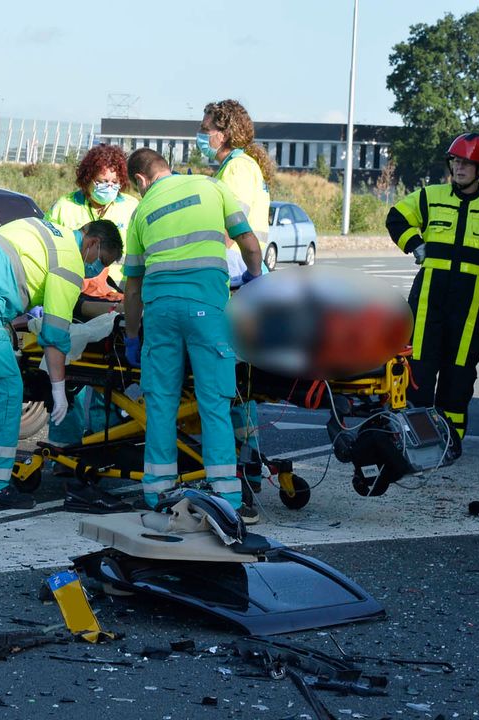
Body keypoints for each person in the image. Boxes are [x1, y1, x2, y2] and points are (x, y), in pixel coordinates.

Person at [0, 217, 123, 509]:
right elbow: (55, 335)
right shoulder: (69, 261)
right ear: (92, 242)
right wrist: (58, 390)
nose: (96, 270)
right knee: (6, 390)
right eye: (100, 261)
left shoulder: (47, 229)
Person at [121, 148, 262, 517]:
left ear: (141, 180)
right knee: (214, 403)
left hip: (160, 312)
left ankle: (157, 493)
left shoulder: (141, 212)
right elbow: (249, 244)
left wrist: (132, 336)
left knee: (160, 403)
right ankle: (226, 498)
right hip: (207, 310)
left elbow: (132, 289)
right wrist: (254, 279)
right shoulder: (211, 186)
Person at [386, 133, 479, 453]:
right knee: (419, 371)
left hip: (470, 304)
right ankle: (415, 441)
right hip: (428, 299)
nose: (459, 168)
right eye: (455, 161)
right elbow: (396, 218)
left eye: (467, 163)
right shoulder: (430, 196)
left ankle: (450, 442)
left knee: (459, 375)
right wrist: (414, 244)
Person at [44, 145, 137, 477]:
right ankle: (64, 451)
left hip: (113, 300)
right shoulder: (65, 207)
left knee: (109, 379)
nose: (108, 187)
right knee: (70, 375)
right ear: (87, 178)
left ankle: (102, 446)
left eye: (114, 181)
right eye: (101, 180)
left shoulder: (131, 208)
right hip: (71, 297)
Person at [199, 99, 275, 498]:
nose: (201, 136)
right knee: (236, 380)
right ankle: (246, 464)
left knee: (233, 380)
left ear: (224, 131)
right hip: (238, 275)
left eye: (206, 129)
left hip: (235, 275)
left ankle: (245, 466)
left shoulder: (239, 168)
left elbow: (233, 226)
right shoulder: (234, 167)